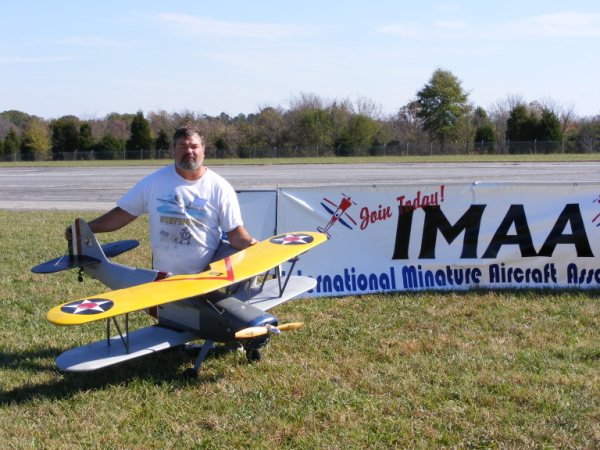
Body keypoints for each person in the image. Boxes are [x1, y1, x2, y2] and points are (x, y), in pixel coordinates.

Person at [66, 126, 256, 274]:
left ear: (203, 150)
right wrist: (85, 229)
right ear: (173, 150)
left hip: (207, 273)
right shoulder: (154, 182)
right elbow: (122, 214)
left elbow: (235, 233)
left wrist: (253, 246)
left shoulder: (220, 187)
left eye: (194, 146)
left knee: (244, 260)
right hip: (165, 277)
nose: (189, 151)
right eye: (183, 146)